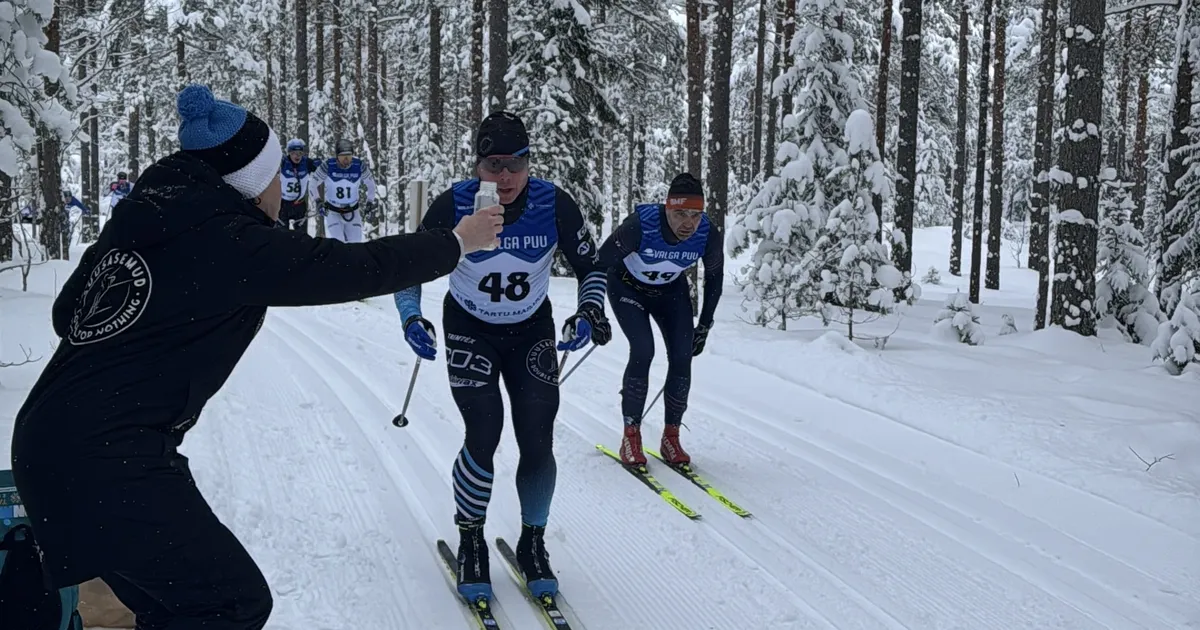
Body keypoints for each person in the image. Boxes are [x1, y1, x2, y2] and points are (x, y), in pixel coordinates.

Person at [8, 84, 503, 630]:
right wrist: (457, 242)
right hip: (108, 458)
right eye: (274, 178)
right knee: (231, 603)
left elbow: (68, 315)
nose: (282, 192)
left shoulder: (145, 215)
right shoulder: (226, 239)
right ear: (247, 180)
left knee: (173, 607)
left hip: (51, 442)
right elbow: (353, 266)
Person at [392, 111, 612, 604]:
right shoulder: (455, 204)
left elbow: (591, 267)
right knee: (484, 429)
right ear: (478, 165)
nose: (507, 176)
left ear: (530, 162)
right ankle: (471, 539)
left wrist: (589, 311)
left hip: (531, 329)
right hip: (469, 328)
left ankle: (533, 542)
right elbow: (409, 268)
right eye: (494, 164)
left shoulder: (555, 204)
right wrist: (411, 318)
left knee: (537, 434)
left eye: (517, 163)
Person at [595, 173, 724, 468]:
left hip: (670, 292)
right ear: (667, 208)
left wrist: (705, 325)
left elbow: (715, 278)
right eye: (680, 214)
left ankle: (671, 437)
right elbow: (600, 263)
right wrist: (595, 311)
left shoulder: (707, 234)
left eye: (695, 215)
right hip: (627, 288)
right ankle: (631, 435)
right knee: (644, 349)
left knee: (682, 356)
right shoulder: (641, 226)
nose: (688, 223)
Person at [315, 139, 376, 243]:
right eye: (343, 156)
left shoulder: (359, 165)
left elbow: (371, 184)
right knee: (338, 244)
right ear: (337, 156)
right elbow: (313, 183)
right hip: (333, 211)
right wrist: (318, 201)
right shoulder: (328, 165)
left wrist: (370, 201)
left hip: (353, 211)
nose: (346, 159)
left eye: (349, 155)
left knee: (356, 244)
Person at [279, 138, 320, 232]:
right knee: (281, 235)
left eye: (300, 153)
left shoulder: (307, 163)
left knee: (301, 236)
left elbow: (322, 170)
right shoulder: (283, 162)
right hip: (283, 204)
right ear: (289, 153)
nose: (297, 156)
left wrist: (320, 164)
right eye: (294, 153)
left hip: (299, 205)